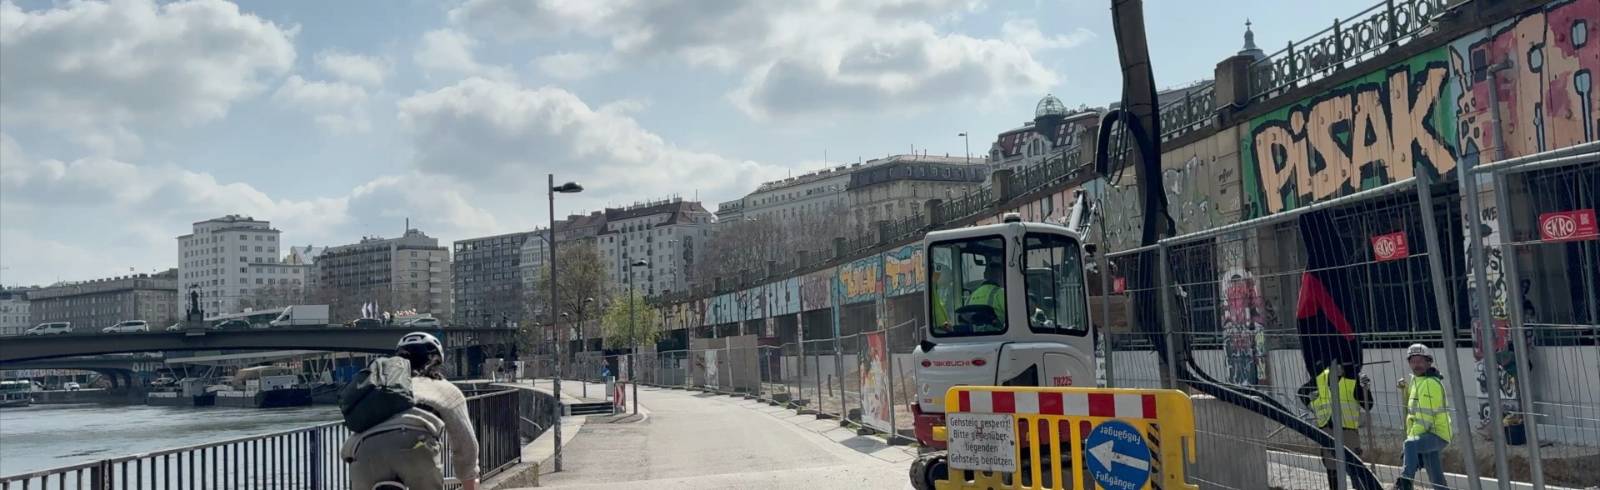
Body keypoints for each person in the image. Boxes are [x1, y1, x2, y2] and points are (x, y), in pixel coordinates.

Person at [343, 332, 479, 490]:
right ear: (437, 362)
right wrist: (469, 478)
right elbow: (465, 444)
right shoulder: (445, 389)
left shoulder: (379, 391)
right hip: (415, 447)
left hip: (364, 452)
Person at [1306, 360, 1372, 490]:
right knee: (1332, 469)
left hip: (1348, 432)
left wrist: (1366, 390)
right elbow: (1301, 393)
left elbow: (1368, 405)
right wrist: (1312, 404)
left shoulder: (1353, 380)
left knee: (1355, 470)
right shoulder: (1320, 378)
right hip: (1327, 431)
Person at [1396, 344, 1451, 490]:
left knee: (1410, 444)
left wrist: (1411, 445)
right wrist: (1405, 390)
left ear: (1428, 362)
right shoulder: (1417, 381)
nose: (1416, 364)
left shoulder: (1430, 384)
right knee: (1436, 476)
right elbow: (1413, 408)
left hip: (1436, 434)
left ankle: (1405, 483)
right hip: (1426, 433)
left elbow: (1423, 418)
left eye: (1420, 360)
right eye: (1413, 361)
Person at [965, 260, 1007, 329]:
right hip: (997, 334)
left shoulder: (971, 295)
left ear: (985, 275)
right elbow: (1014, 315)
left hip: (975, 335)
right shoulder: (1001, 293)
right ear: (1002, 276)